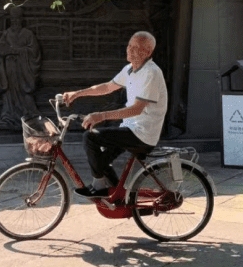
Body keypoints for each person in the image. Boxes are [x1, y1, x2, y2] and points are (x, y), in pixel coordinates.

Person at [63, 31, 167, 199]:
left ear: (148, 52)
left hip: (142, 133)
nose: (130, 50)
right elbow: (107, 87)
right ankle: (119, 196)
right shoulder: (129, 69)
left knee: (90, 138)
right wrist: (77, 93)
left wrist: (101, 116)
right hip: (130, 128)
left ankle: (99, 187)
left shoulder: (151, 73)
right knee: (99, 160)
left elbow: (136, 109)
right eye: (129, 45)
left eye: (136, 48)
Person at [0, 7, 41, 128]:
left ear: (21, 20)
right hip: (10, 66)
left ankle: (28, 114)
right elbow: (0, 47)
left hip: (23, 68)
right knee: (10, 90)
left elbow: (34, 51)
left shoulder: (27, 34)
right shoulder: (7, 33)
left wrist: (15, 50)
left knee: (24, 90)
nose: (15, 21)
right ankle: (9, 114)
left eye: (17, 19)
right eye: (13, 19)